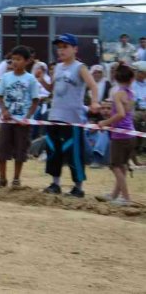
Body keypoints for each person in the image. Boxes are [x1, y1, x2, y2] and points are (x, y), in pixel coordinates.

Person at [38, 34, 101, 198]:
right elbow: (53, 88)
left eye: (65, 47)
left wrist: (94, 102)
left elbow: (93, 86)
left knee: (73, 152)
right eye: (59, 47)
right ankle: (55, 183)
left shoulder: (80, 67)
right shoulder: (58, 67)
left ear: (75, 49)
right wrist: (41, 80)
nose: (61, 50)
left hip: (72, 118)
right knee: (53, 150)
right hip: (55, 115)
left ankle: (78, 187)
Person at [0, 46, 39, 189]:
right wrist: (4, 110)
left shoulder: (31, 80)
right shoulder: (6, 77)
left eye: (19, 59)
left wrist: (27, 117)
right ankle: (2, 178)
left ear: (27, 61)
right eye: (13, 59)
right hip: (7, 120)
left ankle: (16, 179)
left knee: (20, 150)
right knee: (2, 148)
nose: (15, 62)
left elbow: (35, 100)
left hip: (22, 122)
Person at [96, 63, 137, 206]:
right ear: (131, 79)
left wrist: (105, 122)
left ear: (115, 77)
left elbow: (120, 114)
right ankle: (115, 195)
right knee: (122, 166)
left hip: (120, 136)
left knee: (115, 166)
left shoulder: (118, 94)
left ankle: (125, 198)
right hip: (130, 134)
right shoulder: (131, 93)